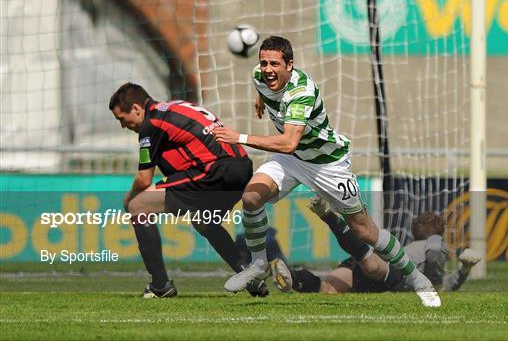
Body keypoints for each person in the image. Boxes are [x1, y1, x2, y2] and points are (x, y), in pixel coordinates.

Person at [213, 36, 441, 307]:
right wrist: (261, 100)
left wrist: (238, 137)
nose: (268, 69)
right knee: (251, 198)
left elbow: (288, 142)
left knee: (366, 231)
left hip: (326, 164)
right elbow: (266, 91)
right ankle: (259, 263)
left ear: (290, 65)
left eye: (275, 63)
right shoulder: (260, 76)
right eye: (264, 62)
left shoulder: (301, 92)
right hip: (294, 160)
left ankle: (417, 279)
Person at [109, 82, 268, 298]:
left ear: (136, 108)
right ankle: (250, 278)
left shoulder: (151, 123)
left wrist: (128, 200)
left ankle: (160, 285)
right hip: (241, 167)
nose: (123, 126)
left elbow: (143, 179)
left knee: (138, 207)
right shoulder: (175, 107)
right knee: (204, 221)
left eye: (121, 119)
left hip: (215, 170)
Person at [268, 196, 482, 294]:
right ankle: (330, 218)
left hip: (366, 263)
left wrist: (463, 270)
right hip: (386, 270)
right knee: (370, 264)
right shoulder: (435, 244)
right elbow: (440, 282)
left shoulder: (409, 247)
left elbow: (444, 283)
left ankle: (291, 275)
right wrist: (461, 270)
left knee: (327, 287)